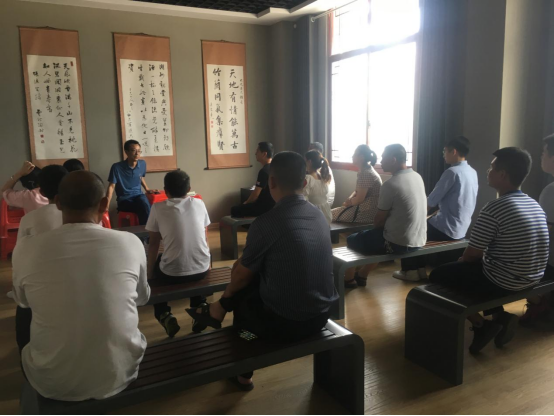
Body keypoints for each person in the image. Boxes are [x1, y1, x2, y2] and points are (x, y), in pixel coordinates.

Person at [186, 152, 338, 391]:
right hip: (321, 315)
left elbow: (241, 276)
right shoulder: (318, 216)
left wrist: (228, 295)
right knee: (253, 273)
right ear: (304, 182)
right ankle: (218, 310)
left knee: (243, 303)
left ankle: (243, 372)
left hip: (286, 324)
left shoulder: (267, 222)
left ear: (271, 182)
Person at [12, 171, 150, 401]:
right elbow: (142, 298)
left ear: (57, 202)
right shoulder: (131, 242)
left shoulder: (27, 248)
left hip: (52, 379)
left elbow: (23, 301)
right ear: (104, 204)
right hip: (120, 370)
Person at [429, 148, 549, 354]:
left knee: (438, 275)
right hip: (533, 277)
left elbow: (472, 254)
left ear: (502, 174)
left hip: (505, 281)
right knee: (479, 266)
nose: (488, 171)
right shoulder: (533, 203)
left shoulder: (495, 208)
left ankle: (481, 325)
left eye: (492, 168)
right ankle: (501, 317)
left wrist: (461, 262)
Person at [394, 137, 479, 282]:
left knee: (409, 229)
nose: (443, 154)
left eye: (445, 151)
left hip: (446, 228)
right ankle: (420, 270)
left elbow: (431, 201)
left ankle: (410, 271)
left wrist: (417, 218)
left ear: (454, 151)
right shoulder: (472, 172)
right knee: (422, 227)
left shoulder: (452, 172)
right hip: (462, 228)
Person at [344, 144, 427, 288]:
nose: (380, 161)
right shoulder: (417, 176)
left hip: (398, 243)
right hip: (420, 239)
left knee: (352, 239)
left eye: (383, 157)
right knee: (373, 237)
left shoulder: (391, 184)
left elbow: (379, 220)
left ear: (393, 159)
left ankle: (349, 280)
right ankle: (362, 275)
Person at [146, 170, 211, 338]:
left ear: (165, 191)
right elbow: (204, 237)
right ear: (189, 189)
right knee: (192, 261)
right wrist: (208, 264)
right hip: (202, 268)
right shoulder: (200, 204)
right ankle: (200, 305)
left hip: (172, 274)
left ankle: (164, 313)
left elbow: (153, 244)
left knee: (158, 266)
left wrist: (149, 273)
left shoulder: (158, 208)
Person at [520, 135, 554, 325]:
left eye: (543, 153)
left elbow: (543, 234)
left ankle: (540, 304)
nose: (541, 157)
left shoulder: (551, 190)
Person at [107, 140, 158, 225]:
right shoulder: (117, 167)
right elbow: (111, 186)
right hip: (124, 199)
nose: (137, 153)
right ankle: (147, 231)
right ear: (126, 152)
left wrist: (147, 189)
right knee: (144, 207)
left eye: (139, 151)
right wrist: (107, 205)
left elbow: (140, 176)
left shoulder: (142, 164)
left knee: (145, 203)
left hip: (138, 195)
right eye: (134, 150)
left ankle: (147, 230)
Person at [331, 145, 382, 224]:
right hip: (365, 207)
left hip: (367, 211)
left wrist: (348, 203)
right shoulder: (366, 170)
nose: (352, 156)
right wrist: (349, 199)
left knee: (329, 215)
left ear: (361, 157)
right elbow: (357, 191)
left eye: (354, 154)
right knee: (329, 213)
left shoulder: (366, 173)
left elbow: (359, 200)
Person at [17, 165, 68, 239]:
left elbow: (20, 245)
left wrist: (18, 174)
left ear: (41, 192)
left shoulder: (27, 220)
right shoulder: (78, 216)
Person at [231, 142, 275, 218]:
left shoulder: (264, 171)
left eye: (257, 151)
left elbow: (256, 194)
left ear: (264, 154)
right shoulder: (276, 168)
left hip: (263, 207)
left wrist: (246, 203)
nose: (255, 153)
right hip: (274, 206)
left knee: (234, 209)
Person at [303, 150, 332, 225]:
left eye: (305, 161)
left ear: (309, 162)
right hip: (326, 216)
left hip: (314, 216)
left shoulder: (308, 178)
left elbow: (303, 199)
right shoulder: (323, 176)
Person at [308, 142, 335, 206]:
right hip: (327, 204)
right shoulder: (325, 166)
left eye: (311, 151)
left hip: (321, 204)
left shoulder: (317, 168)